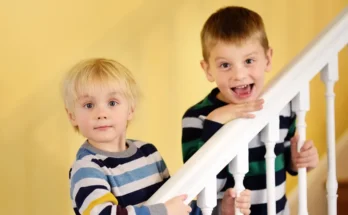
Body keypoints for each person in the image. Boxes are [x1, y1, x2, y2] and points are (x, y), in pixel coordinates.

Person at [62, 58, 252, 215]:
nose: (101, 113)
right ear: (72, 116)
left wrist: (221, 209)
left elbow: (175, 203)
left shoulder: (148, 153)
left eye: (112, 103)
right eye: (89, 105)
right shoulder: (87, 168)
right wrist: (163, 211)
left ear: (131, 110)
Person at [181, 6, 319, 215]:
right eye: (225, 65)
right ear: (208, 70)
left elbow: (286, 161)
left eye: (248, 61)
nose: (239, 74)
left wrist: (300, 160)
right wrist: (215, 122)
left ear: (268, 59)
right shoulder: (196, 118)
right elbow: (199, 187)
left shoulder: (282, 105)